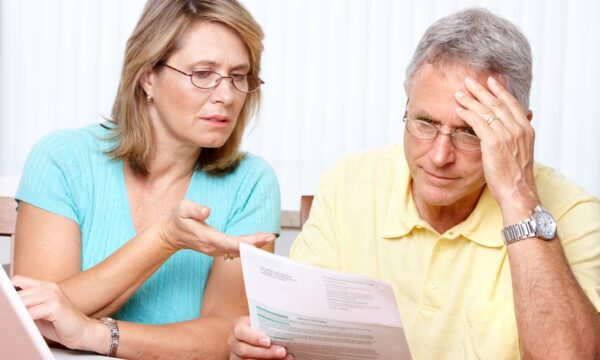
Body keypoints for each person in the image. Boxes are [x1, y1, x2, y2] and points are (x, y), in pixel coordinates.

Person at [229, 8, 600, 360]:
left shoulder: (571, 212)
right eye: (424, 122)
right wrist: (263, 347)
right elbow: (300, 339)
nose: (439, 156)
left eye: (470, 132)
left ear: (517, 129)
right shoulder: (350, 184)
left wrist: (519, 197)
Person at [11, 0, 280, 358]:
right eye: (203, 74)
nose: (227, 95)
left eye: (239, 75)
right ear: (147, 76)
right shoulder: (63, 159)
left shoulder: (252, 183)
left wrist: (95, 334)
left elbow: (227, 337)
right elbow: (33, 320)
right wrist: (164, 239)